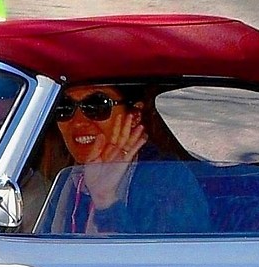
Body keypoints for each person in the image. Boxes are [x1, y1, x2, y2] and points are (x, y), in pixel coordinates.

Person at [26, 85, 210, 236]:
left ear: (135, 116)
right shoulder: (70, 179)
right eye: (64, 107)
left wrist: (105, 201)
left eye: (96, 106)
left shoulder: (165, 179)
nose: (78, 121)